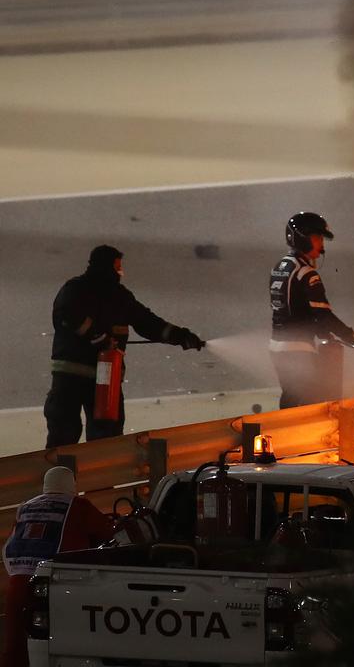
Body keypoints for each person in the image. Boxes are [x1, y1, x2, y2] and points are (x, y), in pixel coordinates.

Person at [45, 245, 204, 448]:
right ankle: (61, 477)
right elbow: (66, 314)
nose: (121, 271)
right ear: (107, 266)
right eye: (118, 266)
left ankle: (97, 477)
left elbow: (148, 323)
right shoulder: (77, 289)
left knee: (105, 439)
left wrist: (182, 336)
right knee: (65, 433)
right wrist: (99, 338)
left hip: (105, 378)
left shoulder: (120, 296)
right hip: (73, 378)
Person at [3, 467, 114, 667]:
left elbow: (10, 545)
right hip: (56, 585)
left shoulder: (25, 507)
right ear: (72, 485)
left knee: (16, 649)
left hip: (17, 584)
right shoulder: (79, 505)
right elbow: (109, 534)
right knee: (61, 649)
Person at [269, 212, 354, 408]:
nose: (321, 244)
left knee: (291, 403)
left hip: (278, 347)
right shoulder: (306, 273)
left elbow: (296, 310)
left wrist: (324, 334)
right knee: (307, 409)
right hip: (299, 350)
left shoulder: (281, 266)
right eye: (317, 238)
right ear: (302, 237)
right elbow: (324, 316)